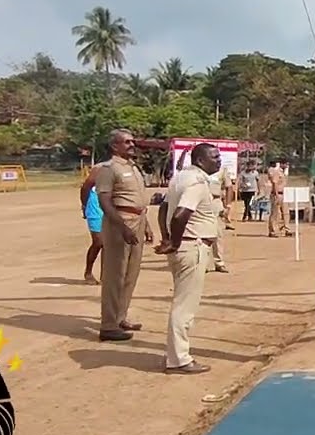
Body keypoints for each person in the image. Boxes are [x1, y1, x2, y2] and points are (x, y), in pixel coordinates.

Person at [155, 142, 221, 375]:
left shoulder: (180, 178)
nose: (219, 160)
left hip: (185, 246)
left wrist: (167, 237)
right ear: (201, 160)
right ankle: (179, 359)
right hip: (192, 246)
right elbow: (181, 214)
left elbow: (164, 209)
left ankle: (176, 354)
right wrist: (173, 241)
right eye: (214, 157)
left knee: (182, 302)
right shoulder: (196, 182)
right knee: (185, 306)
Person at [92, 128, 152, 342]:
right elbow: (105, 201)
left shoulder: (133, 168)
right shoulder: (109, 169)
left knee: (131, 274)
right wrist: (122, 227)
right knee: (114, 275)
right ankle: (108, 325)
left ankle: (120, 317)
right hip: (120, 222)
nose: (131, 145)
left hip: (138, 220)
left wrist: (146, 225)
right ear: (114, 146)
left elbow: (139, 199)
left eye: (132, 141)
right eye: (126, 142)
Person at [79, 163, 106, 285]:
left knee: (108, 245)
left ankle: (105, 275)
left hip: (109, 212)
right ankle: (88, 272)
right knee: (98, 242)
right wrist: (84, 206)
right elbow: (84, 189)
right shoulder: (96, 174)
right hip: (94, 212)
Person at [267, 159, 292, 238]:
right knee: (275, 213)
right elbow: (275, 183)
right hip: (277, 194)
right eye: (286, 164)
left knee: (286, 212)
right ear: (282, 164)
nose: (287, 166)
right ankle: (273, 231)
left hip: (284, 194)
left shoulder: (284, 173)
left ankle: (286, 229)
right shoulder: (276, 172)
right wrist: (276, 194)